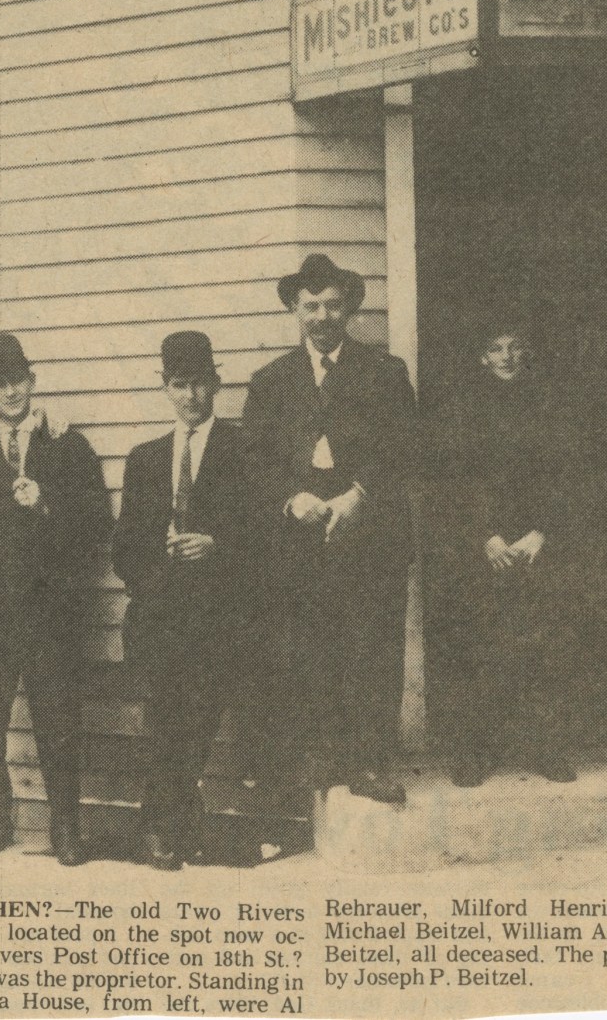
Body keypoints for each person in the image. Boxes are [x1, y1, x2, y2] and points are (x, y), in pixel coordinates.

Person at [242, 254, 416, 805]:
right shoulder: (271, 382)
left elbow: (404, 453)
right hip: (299, 533)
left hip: (368, 527)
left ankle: (370, 762)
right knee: (306, 645)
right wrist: (292, 499)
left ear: (350, 309)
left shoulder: (385, 374)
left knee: (370, 647)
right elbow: (253, 462)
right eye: (311, 306)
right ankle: (318, 756)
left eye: (333, 305)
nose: (322, 316)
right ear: (295, 310)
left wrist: (360, 495)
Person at [0, 334, 111, 866]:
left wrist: (49, 502)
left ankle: (66, 829)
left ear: (32, 380)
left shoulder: (67, 445)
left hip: (51, 613)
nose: (9, 393)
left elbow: (99, 525)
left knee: (58, 721)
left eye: (17, 380)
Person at [112, 332, 254, 869]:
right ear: (165, 389)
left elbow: (266, 535)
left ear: (215, 384)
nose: (191, 396)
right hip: (160, 617)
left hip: (219, 618)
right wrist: (159, 569)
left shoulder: (243, 450)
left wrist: (216, 546)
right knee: (165, 723)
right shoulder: (145, 458)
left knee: (193, 723)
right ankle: (170, 826)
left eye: (199, 383)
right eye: (179, 385)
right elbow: (125, 549)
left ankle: (164, 826)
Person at [425, 314, 578, 785]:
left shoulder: (550, 404)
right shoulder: (460, 408)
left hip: (535, 544)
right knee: (478, 647)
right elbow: (450, 480)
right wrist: (484, 537)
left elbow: (567, 474)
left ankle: (541, 747)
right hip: (481, 546)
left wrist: (542, 532)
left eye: (514, 345)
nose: (507, 356)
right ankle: (475, 752)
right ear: (482, 356)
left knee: (538, 647)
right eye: (496, 347)